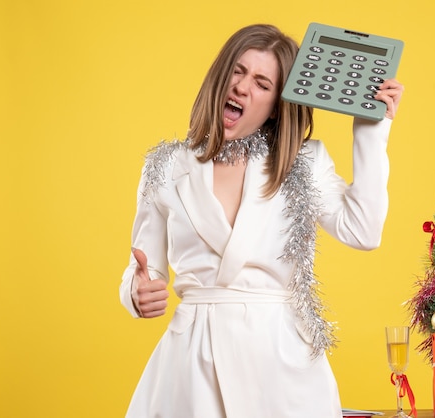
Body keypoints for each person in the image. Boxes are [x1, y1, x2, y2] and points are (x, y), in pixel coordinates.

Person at [120, 23, 404, 418]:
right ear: (220, 77)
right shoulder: (166, 166)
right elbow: (143, 267)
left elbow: (364, 231)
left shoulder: (302, 162)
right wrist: (136, 292)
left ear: (275, 106)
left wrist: (371, 132)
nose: (241, 87)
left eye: (261, 82)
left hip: (282, 363)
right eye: (237, 71)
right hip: (191, 365)